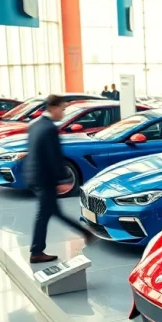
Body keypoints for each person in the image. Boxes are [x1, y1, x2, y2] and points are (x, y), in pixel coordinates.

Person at [26, 95, 92, 264]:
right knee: (45, 214)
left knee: (52, 211)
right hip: (45, 178)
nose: (63, 113)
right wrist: (62, 179)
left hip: (35, 176)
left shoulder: (35, 125)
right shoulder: (49, 129)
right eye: (62, 109)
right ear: (53, 108)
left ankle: (85, 233)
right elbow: (53, 157)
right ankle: (36, 251)